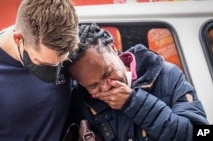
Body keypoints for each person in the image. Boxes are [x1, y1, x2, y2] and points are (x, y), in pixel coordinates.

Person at [65, 23, 208, 141]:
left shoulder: (166, 74)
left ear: (113, 49)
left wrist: (134, 102)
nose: (106, 86)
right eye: (93, 86)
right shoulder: (80, 100)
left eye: (108, 73)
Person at [0, 0, 79, 140]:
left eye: (62, 61)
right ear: (18, 39)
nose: (54, 72)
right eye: (42, 63)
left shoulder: (71, 49)